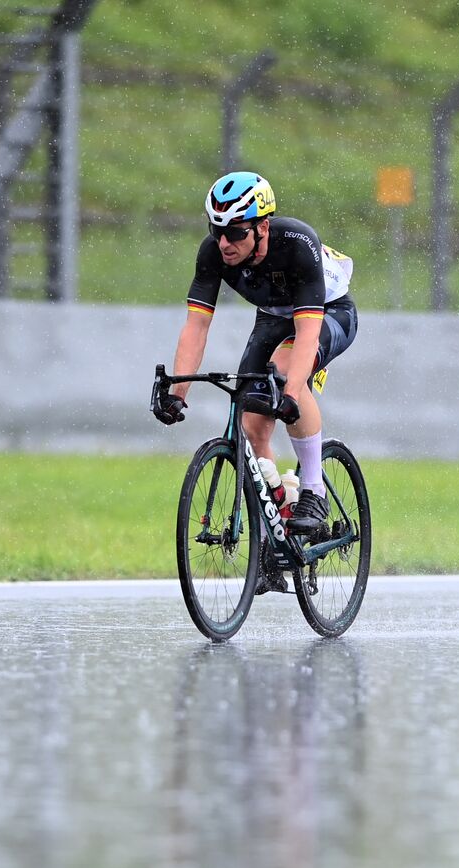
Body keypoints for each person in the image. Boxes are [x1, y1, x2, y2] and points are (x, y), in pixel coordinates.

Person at [153, 171, 359, 578]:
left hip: (327, 313)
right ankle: (280, 524)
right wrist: (180, 391)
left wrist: (293, 391)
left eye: (236, 233)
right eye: (217, 232)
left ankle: (314, 490)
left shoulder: (296, 245)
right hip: (273, 317)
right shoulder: (214, 253)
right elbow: (196, 327)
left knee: (284, 378)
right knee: (251, 422)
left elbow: (307, 331)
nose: (225, 243)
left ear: (262, 227)